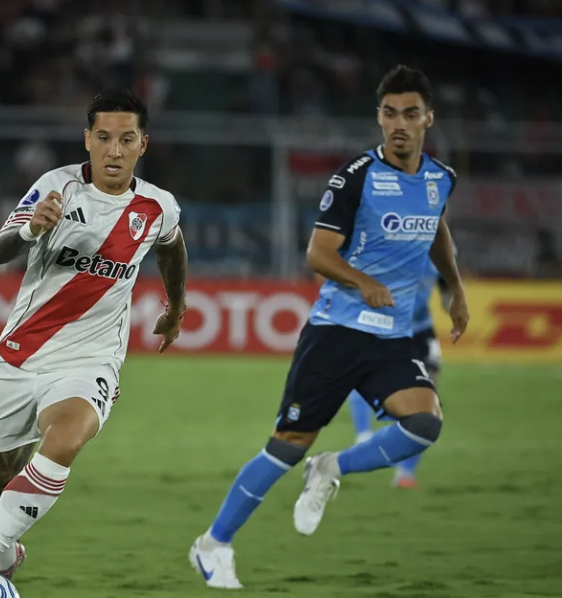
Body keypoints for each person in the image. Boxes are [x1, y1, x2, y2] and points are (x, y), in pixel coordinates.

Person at [189, 65, 469, 589]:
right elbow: (318, 253)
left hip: (391, 337)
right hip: (337, 331)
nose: (399, 124)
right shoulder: (356, 176)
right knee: (286, 444)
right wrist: (362, 281)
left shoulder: (440, 178)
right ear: (379, 118)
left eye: (410, 113)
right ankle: (213, 544)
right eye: (390, 113)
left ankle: (331, 468)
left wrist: (455, 288)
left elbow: (437, 230)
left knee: (424, 423)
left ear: (428, 118)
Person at [0, 88, 188, 590]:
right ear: (87, 140)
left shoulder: (157, 206)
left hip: (91, 359)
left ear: (143, 144)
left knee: (68, 436)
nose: (114, 150)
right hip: (21, 356)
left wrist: (176, 307)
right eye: (104, 137)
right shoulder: (55, 187)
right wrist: (31, 229)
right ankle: (2, 547)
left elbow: (172, 247)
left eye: (126, 139)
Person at [345, 258, 454, 488]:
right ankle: (363, 435)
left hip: (420, 331)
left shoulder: (440, 251)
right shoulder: (391, 245)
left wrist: (453, 303)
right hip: (383, 326)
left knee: (427, 401)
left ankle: (405, 474)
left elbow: (446, 286)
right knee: (360, 374)